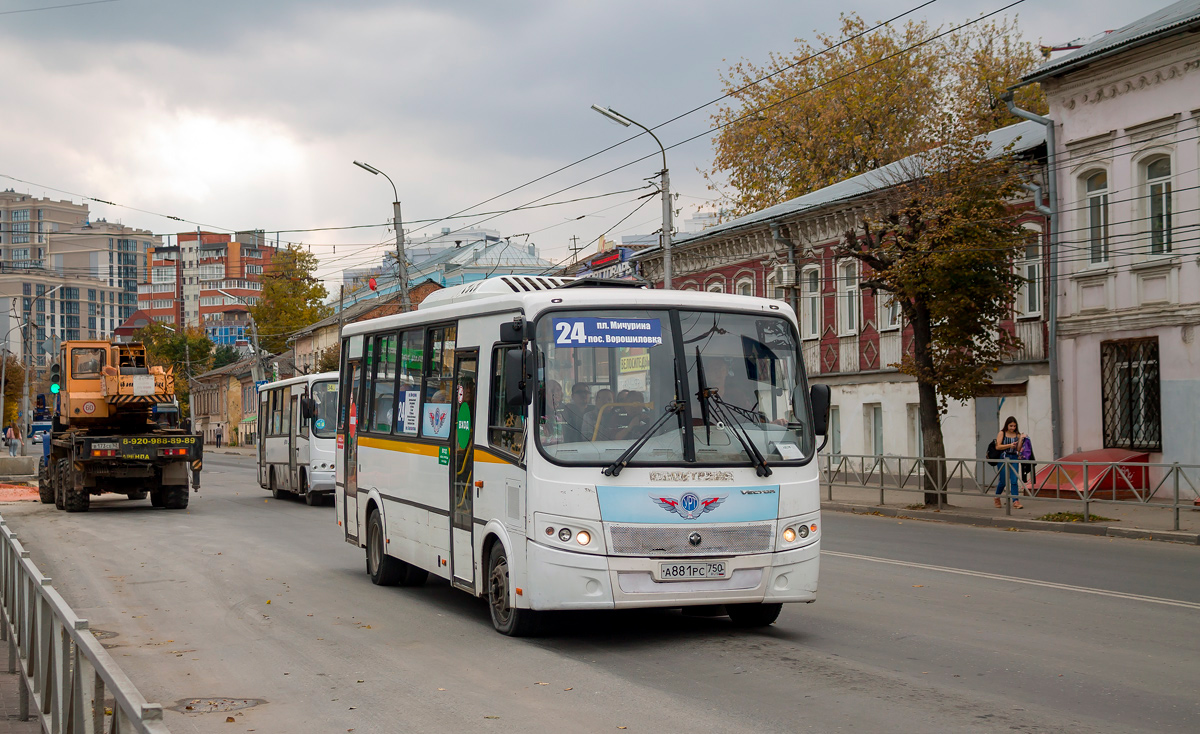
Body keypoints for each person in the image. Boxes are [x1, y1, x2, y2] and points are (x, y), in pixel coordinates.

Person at [994, 416, 1024, 509]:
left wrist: (1021, 440)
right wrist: (1009, 445)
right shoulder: (1002, 433)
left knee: (1014, 480)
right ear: (1007, 425)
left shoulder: (1017, 434)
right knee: (1003, 481)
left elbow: (1018, 449)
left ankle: (1015, 501)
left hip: (1014, 457)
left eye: (1014, 426)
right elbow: (998, 447)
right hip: (1003, 457)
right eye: (1011, 426)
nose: (1012, 428)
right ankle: (997, 497)